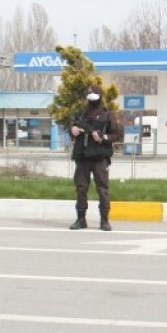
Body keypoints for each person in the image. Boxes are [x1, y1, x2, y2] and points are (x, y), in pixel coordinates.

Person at [68, 85, 121, 231]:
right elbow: (71, 129)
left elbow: (116, 135)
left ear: (100, 97)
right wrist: (72, 131)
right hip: (82, 157)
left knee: (102, 189)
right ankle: (80, 219)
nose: (91, 101)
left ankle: (104, 220)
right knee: (81, 188)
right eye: (89, 97)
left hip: (100, 158)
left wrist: (102, 137)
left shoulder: (107, 114)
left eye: (94, 98)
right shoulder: (81, 114)